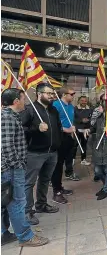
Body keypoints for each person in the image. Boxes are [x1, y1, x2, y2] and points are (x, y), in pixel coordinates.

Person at [1, 88, 49, 247]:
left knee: (6, 202)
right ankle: (25, 236)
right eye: (23, 99)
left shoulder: (10, 116)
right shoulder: (7, 118)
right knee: (17, 202)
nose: (25, 102)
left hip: (9, 168)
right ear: (16, 101)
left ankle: (4, 233)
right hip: (11, 170)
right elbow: (7, 147)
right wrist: (18, 165)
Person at [21, 83, 63, 224]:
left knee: (45, 180)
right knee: (29, 183)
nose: (52, 96)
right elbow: (21, 129)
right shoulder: (29, 110)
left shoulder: (54, 110)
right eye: (49, 93)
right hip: (35, 153)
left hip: (52, 152)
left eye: (53, 93)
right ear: (39, 94)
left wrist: (59, 142)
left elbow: (58, 127)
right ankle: (27, 211)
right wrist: (36, 128)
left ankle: (41, 205)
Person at [85, 94, 107, 200]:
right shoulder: (98, 113)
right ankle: (105, 186)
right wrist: (89, 130)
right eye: (103, 100)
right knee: (98, 170)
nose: (105, 102)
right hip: (98, 145)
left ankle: (106, 189)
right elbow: (93, 126)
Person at [51, 86, 78, 205]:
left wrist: (72, 130)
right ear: (64, 95)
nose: (73, 96)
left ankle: (59, 186)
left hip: (68, 138)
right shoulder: (56, 105)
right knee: (57, 165)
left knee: (62, 163)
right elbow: (52, 123)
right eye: (71, 94)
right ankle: (56, 191)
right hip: (59, 137)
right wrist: (65, 129)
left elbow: (71, 121)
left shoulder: (71, 106)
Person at [73, 96, 92, 166]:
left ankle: (83, 159)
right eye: (82, 100)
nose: (84, 102)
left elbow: (92, 118)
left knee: (84, 145)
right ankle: (73, 159)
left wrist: (88, 120)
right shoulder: (75, 108)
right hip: (77, 129)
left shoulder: (89, 109)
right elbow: (73, 118)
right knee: (75, 145)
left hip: (86, 130)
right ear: (79, 101)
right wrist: (81, 120)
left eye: (85, 101)